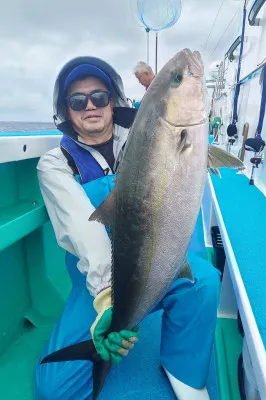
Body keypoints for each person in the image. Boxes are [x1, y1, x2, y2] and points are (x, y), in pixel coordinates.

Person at [34, 55, 220, 400]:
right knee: (53, 390)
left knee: (203, 282)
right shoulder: (56, 163)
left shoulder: (143, 136)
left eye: (99, 97)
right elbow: (81, 228)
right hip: (96, 288)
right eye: (77, 100)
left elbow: (167, 124)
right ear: (65, 109)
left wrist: (163, 89)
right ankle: (109, 332)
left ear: (113, 101)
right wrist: (107, 299)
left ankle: (184, 372)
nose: (90, 106)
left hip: (159, 269)